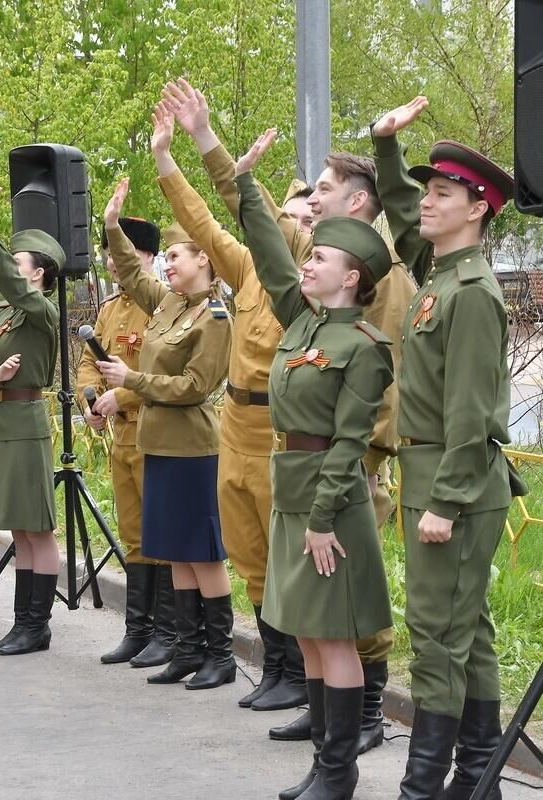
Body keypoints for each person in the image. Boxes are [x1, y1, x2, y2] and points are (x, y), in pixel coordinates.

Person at [163, 77, 412, 752]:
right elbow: (263, 233)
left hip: (350, 463)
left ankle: (362, 720)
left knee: (350, 601)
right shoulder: (318, 275)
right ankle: (323, 710)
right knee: (302, 597)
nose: (312, 199)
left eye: (324, 190)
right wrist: (211, 148)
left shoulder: (378, 276)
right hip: (296, 458)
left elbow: (377, 386)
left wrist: (363, 470)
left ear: (357, 202)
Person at [370, 96, 526, 800]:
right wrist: (385, 150)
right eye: (426, 190)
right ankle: (479, 778)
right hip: (433, 471)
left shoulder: (472, 293)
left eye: (441, 194)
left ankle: (424, 786)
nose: (424, 203)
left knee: (436, 633)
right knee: (469, 630)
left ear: (478, 207)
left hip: (454, 482)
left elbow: (474, 412)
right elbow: (404, 220)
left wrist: (448, 501)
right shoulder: (438, 275)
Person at [236, 127, 395, 800]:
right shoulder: (302, 324)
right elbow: (271, 252)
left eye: (321, 256)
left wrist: (324, 518)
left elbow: (349, 441)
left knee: (332, 640)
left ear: (351, 275)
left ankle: (340, 771)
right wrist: (243, 183)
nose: (308, 261)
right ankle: (321, 765)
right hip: (292, 494)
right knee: (304, 635)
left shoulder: (363, 345)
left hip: (330, 505)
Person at [150, 101, 307, 713]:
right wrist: (168, 155)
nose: (280, 221)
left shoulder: (306, 287)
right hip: (237, 424)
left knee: (283, 554)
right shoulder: (246, 274)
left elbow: (249, 211)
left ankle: (296, 670)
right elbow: (202, 221)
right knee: (248, 555)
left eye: (295, 216)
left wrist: (216, 148)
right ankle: (274, 666)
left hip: (280, 425)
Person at [97, 177, 234, 690]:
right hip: (158, 444)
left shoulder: (215, 316)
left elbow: (196, 386)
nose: (169, 264)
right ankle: (186, 647)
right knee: (175, 549)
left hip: (192, 448)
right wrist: (112, 226)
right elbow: (133, 272)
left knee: (202, 551)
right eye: (168, 256)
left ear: (205, 259)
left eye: (178, 256)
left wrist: (132, 380)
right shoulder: (170, 304)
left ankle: (219, 655)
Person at [0, 188, 63, 656]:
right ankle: (24, 623)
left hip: (26, 419)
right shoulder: (2, 313)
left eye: (17, 261)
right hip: (4, 420)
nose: (10, 269)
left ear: (37, 273)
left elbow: (12, 284)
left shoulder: (41, 309)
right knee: (19, 529)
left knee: (37, 528)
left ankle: (36, 625)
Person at [75, 217, 178, 668]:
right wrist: (91, 401)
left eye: (126, 256)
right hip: (122, 436)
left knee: (163, 533)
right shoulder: (110, 308)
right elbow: (87, 363)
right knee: (133, 534)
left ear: (149, 259)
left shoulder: (164, 306)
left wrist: (124, 395)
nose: (115, 264)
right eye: (111, 256)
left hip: (157, 430)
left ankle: (169, 630)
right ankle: (138, 629)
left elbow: (173, 374)